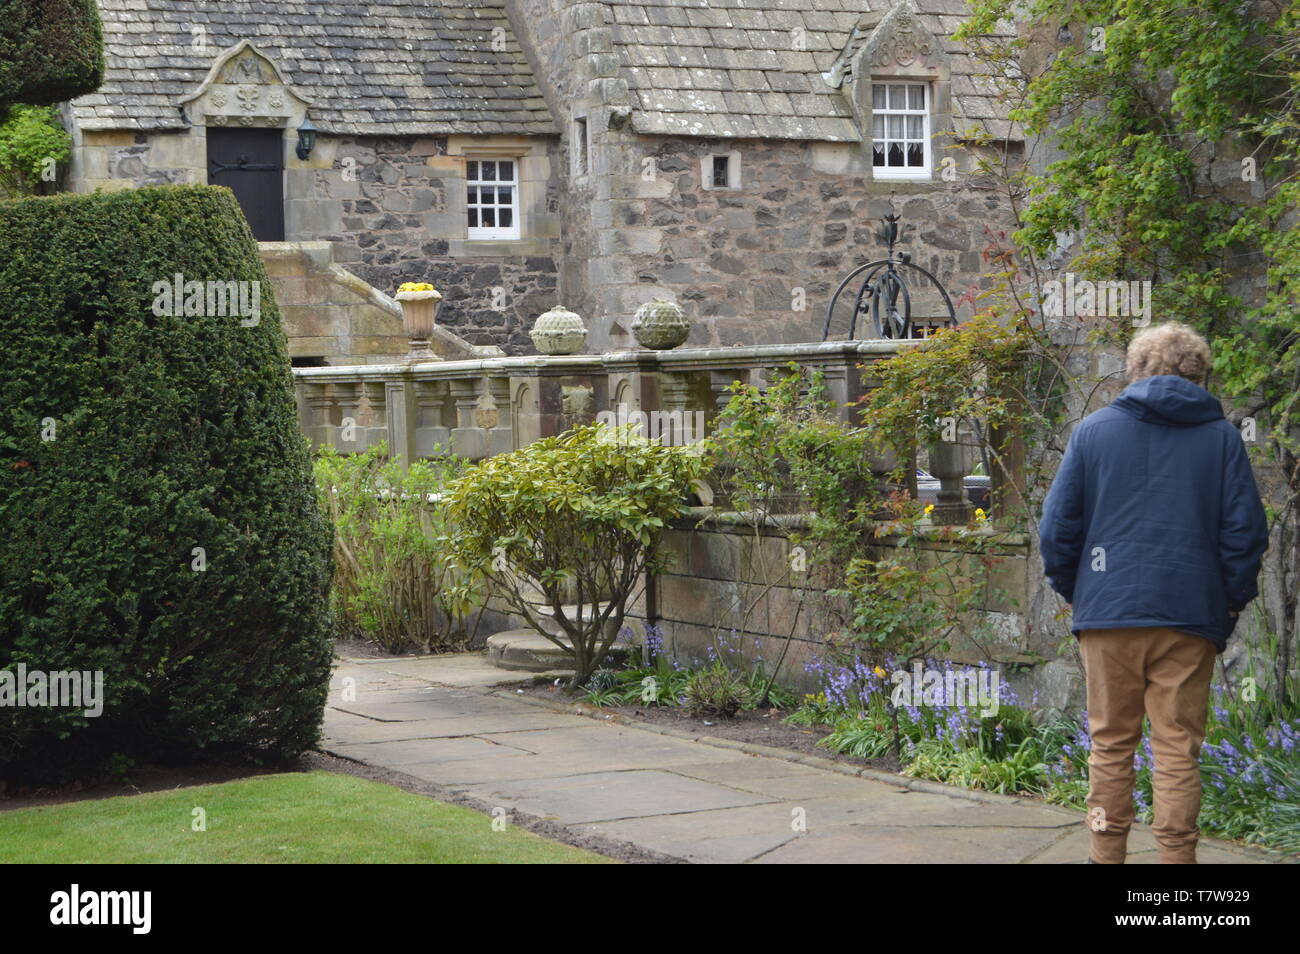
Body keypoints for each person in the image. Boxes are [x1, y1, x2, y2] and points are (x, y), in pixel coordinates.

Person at [1039, 321, 1269, 864]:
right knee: (1176, 750)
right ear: (1200, 375)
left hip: (1108, 613)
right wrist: (1229, 602)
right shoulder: (1221, 439)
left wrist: (1082, 590)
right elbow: (1246, 535)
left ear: (1136, 370)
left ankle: (1104, 855)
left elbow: (1056, 530)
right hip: (1189, 615)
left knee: (1110, 745)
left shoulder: (1094, 432)